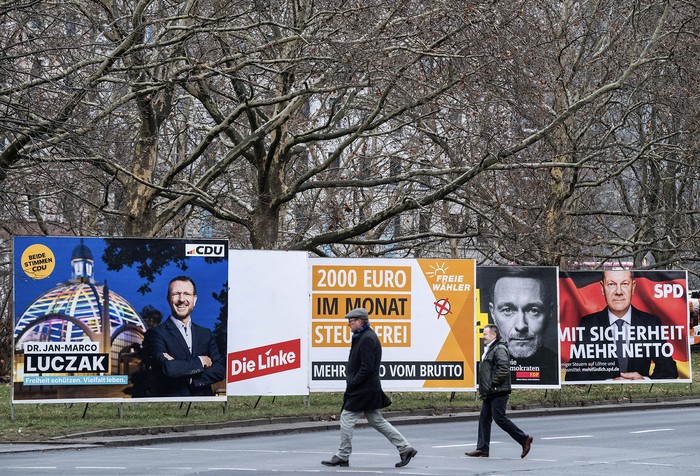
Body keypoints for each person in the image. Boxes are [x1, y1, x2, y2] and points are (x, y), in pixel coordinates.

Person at [321, 308, 418, 468]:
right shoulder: (363, 336)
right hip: (367, 388)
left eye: (351, 321)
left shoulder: (367, 339)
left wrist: (353, 382)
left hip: (363, 389)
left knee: (346, 418)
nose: (348, 324)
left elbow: (367, 367)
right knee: (376, 420)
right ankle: (405, 448)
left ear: (360, 321)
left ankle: (343, 455)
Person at [565, 269, 678, 381]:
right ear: (602, 288)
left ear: (633, 287)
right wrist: (608, 383)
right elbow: (574, 375)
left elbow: (669, 371)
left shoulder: (650, 323)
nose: (618, 292)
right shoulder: (589, 324)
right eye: (611, 284)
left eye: (624, 284)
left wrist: (644, 380)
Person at [143, 275, 225, 397]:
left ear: (194, 299)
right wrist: (201, 361)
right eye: (176, 294)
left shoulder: (205, 334)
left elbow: (219, 370)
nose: (181, 299)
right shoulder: (155, 334)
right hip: (173, 409)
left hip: (205, 408)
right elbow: (169, 369)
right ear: (168, 299)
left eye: (187, 294)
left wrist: (191, 379)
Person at [466, 324, 533, 459]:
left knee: (499, 419)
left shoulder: (499, 349)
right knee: (484, 419)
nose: (482, 336)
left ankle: (524, 439)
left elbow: (503, 369)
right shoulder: (491, 349)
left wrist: (492, 384)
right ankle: (483, 449)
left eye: (485, 334)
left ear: (493, 335)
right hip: (490, 392)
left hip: (498, 391)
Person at [488, 268, 558, 384]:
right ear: (493, 313)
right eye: (508, 310)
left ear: (549, 313)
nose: (521, 326)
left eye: (533, 310)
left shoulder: (559, 367)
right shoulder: (479, 367)